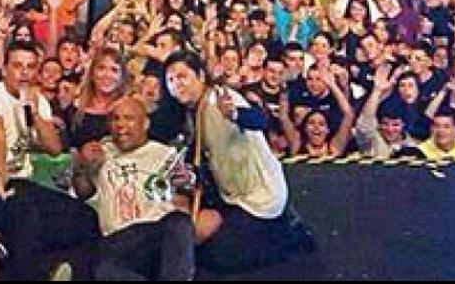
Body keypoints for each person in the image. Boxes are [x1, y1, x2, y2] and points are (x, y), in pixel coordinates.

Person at [163, 51, 312, 274]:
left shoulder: (218, 98)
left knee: (219, 258)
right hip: (232, 197)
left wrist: (235, 115)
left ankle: (287, 234)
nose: (177, 84)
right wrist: (190, 176)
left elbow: (259, 119)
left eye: (182, 76)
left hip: (261, 196)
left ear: (200, 75)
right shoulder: (193, 115)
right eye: (171, 80)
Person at [0, 40, 97, 280]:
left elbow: (54, 148)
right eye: (17, 66)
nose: (24, 73)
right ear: (5, 69)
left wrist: (35, 113)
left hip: (23, 182)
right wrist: (2, 175)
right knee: (27, 219)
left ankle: (2, 245)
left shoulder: (38, 101)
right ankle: (39, 272)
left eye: (30, 67)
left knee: (86, 217)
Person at [70, 96, 196, 281]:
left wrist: (186, 183)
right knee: (100, 268)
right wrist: (82, 167)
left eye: (129, 118)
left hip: (156, 236)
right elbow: (83, 192)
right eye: (115, 119)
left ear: (145, 123)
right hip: (116, 241)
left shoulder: (165, 154)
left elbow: (185, 199)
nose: (120, 125)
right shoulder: (100, 152)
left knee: (179, 222)